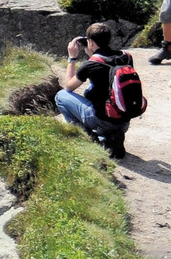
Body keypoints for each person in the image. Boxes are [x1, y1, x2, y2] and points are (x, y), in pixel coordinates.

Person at [56, 22, 135, 158]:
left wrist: (72, 57)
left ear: (91, 42)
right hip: (124, 121)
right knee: (92, 88)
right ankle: (109, 138)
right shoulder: (126, 57)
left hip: (102, 120)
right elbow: (106, 73)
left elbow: (69, 86)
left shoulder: (91, 65)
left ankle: (89, 138)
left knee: (61, 96)